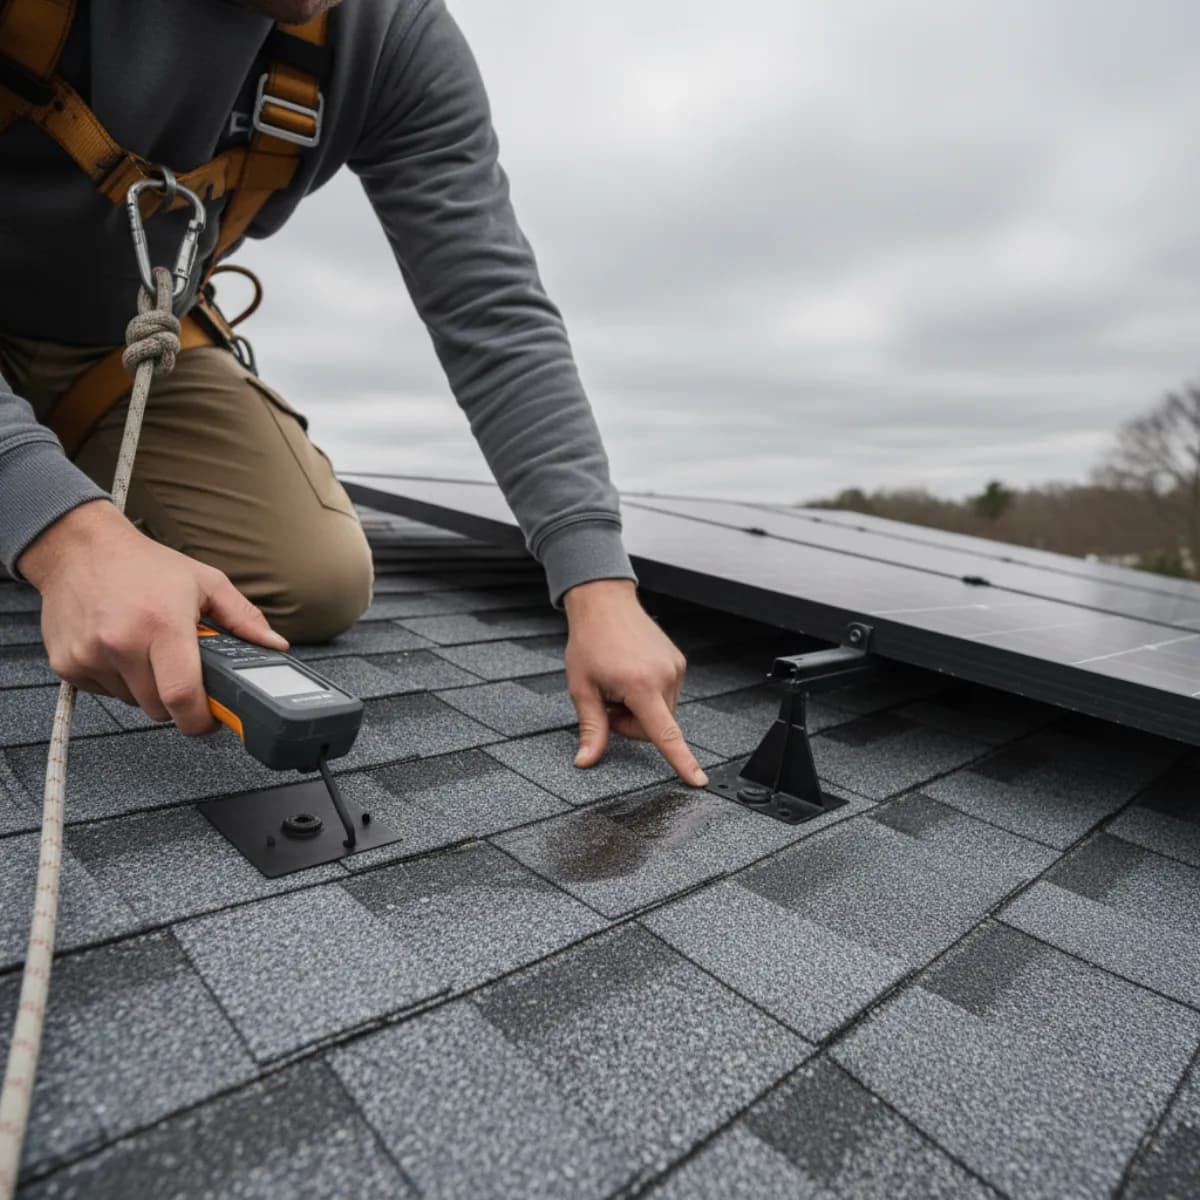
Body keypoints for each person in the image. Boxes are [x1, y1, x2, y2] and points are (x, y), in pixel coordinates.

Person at [0, 0, 708, 787]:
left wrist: (597, 583)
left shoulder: (389, 36)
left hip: (126, 342)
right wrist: (66, 538)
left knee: (316, 579)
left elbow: (491, 305)